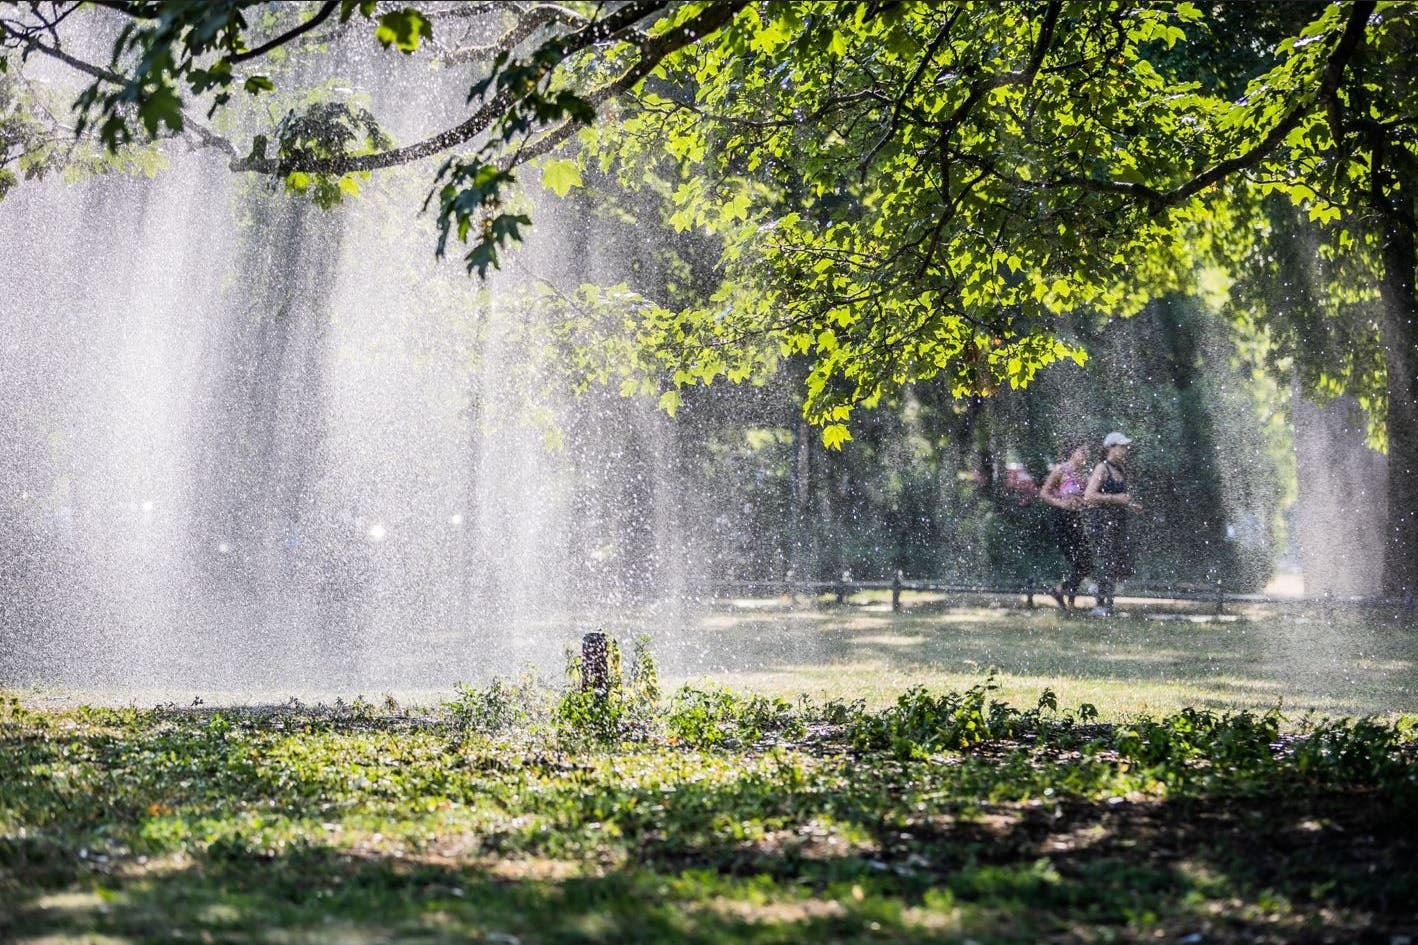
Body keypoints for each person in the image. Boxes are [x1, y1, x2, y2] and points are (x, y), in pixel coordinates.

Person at [1083, 431, 1143, 616]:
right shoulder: (1102, 468)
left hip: (1118, 521)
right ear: (1110, 447)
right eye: (1121, 446)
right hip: (1101, 521)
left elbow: (1120, 499)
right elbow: (1089, 496)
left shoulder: (1120, 470)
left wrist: (1130, 505)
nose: (1125, 450)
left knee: (1123, 559)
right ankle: (1102, 604)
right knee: (1107, 561)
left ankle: (1099, 589)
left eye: (1126, 446)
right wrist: (1116, 498)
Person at [1038, 439, 1092, 613]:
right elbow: (1043, 493)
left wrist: (1083, 503)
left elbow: (1087, 498)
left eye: (1087, 452)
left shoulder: (1083, 475)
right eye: (1082, 451)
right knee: (1078, 562)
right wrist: (1060, 503)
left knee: (1085, 563)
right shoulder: (1060, 470)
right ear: (1073, 452)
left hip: (1076, 519)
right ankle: (1068, 600)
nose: (1086, 455)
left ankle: (1062, 592)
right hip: (1060, 519)